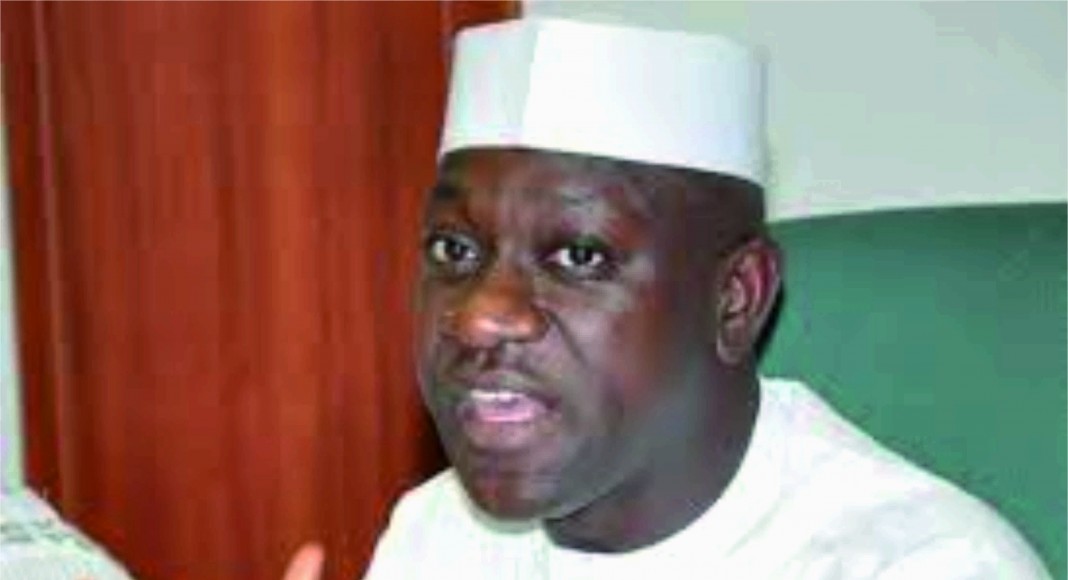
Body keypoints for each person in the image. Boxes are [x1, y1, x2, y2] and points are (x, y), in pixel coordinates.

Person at [327, 17, 1050, 579]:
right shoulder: (437, 536)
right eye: (455, 250)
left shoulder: (926, 566)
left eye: (579, 256)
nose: (481, 315)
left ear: (736, 298)